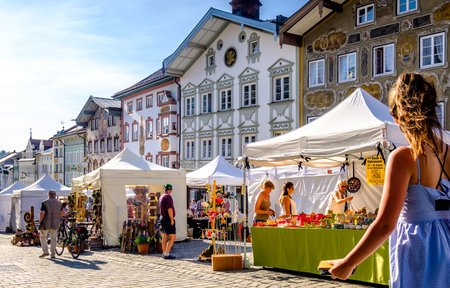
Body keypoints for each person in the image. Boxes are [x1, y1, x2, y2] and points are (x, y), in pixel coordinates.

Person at [329, 72, 449, 287]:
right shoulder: (448, 152)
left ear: (397, 116)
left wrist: (348, 263)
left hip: (421, 254)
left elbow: (385, 224)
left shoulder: (405, 156)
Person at [39, 189, 62, 258]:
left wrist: (40, 220)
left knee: (43, 237)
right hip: (55, 223)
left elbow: (42, 213)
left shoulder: (44, 202)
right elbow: (62, 213)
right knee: (53, 239)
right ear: (55, 195)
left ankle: (45, 252)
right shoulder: (59, 203)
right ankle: (53, 254)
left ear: (48, 195)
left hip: (46, 223)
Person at [159, 184, 176, 259]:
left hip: (162, 217)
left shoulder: (162, 196)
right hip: (167, 218)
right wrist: (172, 219)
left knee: (165, 236)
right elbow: (169, 209)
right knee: (172, 236)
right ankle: (167, 253)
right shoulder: (168, 197)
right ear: (170, 190)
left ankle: (164, 253)